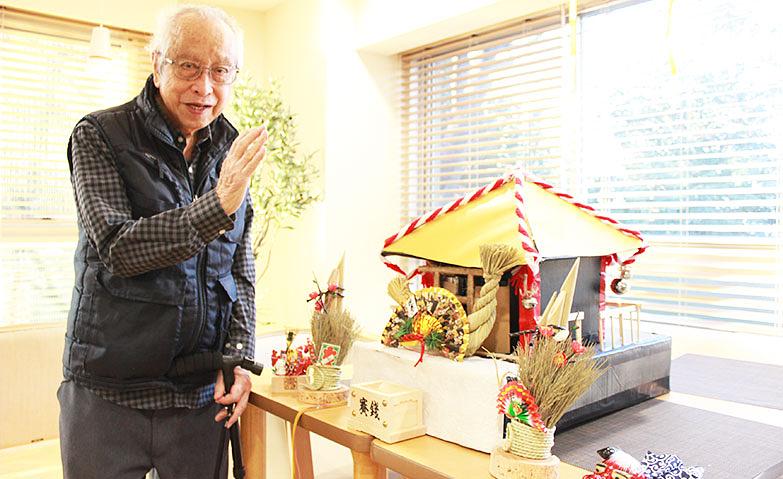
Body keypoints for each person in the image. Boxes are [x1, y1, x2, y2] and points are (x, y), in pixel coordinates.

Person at [58, 5, 266, 478]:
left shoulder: (229, 148)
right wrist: (217, 204)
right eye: (189, 66)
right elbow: (118, 248)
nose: (205, 87)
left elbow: (240, 267)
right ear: (157, 65)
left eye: (221, 70)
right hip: (108, 392)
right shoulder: (98, 135)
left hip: (199, 399)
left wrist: (239, 358)